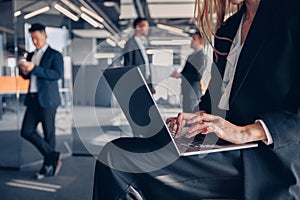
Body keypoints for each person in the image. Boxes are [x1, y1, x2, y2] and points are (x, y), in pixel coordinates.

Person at [93, 0, 300, 199]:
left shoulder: (292, 14)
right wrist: (196, 118)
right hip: (223, 148)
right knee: (119, 152)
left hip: (266, 157)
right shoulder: (228, 29)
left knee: (117, 160)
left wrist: (243, 132)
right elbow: (216, 98)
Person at [18, 23, 63, 179]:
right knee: (26, 131)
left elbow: (57, 74)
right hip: (32, 99)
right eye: (32, 38)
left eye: (37, 37)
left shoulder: (55, 55)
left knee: (48, 134)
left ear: (45, 35)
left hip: (48, 100)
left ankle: (47, 166)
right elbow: (27, 76)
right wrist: (23, 70)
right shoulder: (31, 55)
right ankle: (53, 157)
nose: (35, 41)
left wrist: (34, 68)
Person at [171, 31, 205, 113]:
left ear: (201, 41)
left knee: (192, 114)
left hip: (193, 90)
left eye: (194, 39)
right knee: (186, 113)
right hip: (186, 89)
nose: (191, 41)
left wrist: (181, 75)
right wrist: (178, 74)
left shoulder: (201, 56)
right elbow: (186, 72)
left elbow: (197, 76)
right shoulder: (191, 56)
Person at [123, 17, 156, 94]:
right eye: (146, 26)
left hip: (145, 80)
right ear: (138, 27)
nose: (148, 28)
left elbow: (146, 65)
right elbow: (128, 65)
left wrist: (151, 85)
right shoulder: (130, 43)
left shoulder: (142, 42)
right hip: (137, 82)